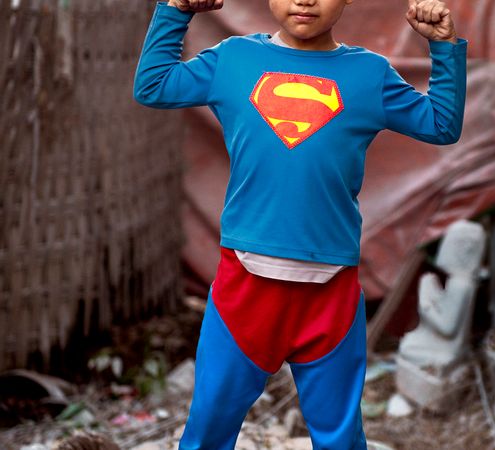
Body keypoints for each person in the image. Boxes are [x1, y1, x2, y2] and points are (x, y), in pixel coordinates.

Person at [134, 0, 467, 448]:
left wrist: (443, 48)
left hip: (330, 293)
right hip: (244, 288)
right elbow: (153, 85)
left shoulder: (369, 74)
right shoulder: (234, 59)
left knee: (339, 438)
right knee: (209, 427)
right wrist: (175, 11)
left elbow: (441, 124)